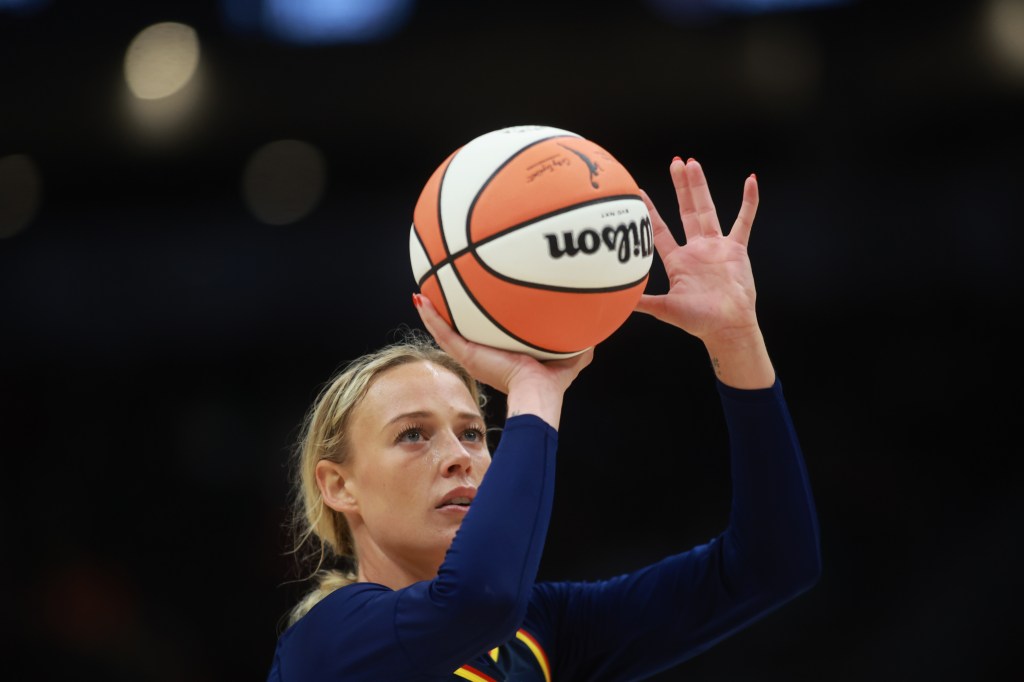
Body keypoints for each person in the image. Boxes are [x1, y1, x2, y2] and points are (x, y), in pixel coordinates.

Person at [265, 157, 821, 681]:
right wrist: (534, 389)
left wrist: (736, 339)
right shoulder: (328, 641)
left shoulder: (541, 632)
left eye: (473, 433)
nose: (460, 457)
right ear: (339, 484)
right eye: (413, 434)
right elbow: (479, 598)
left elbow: (774, 563)